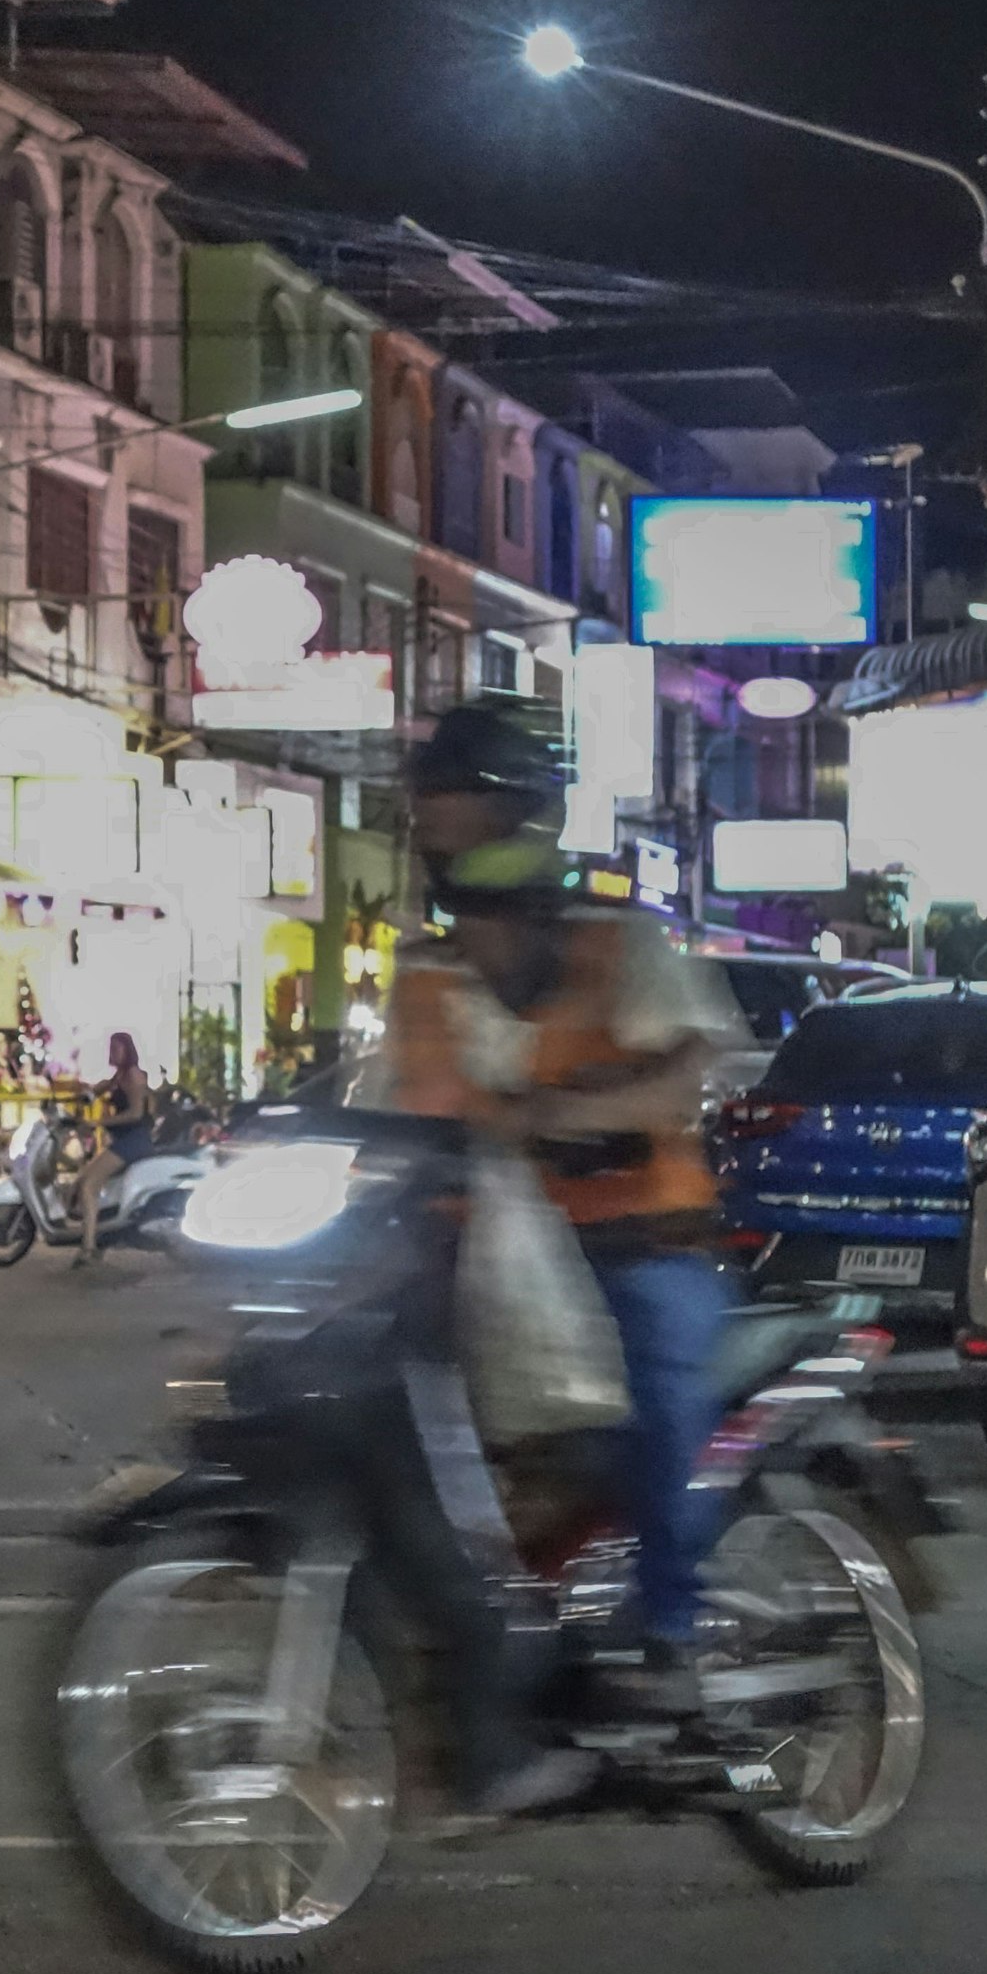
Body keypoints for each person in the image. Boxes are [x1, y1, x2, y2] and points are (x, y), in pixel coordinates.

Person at [380, 699, 745, 1709]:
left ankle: (671, 1632)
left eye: (461, 809)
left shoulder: (616, 942)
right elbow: (389, 1117)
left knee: (660, 1400)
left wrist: (568, 1110)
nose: (443, 830)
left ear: (518, 820)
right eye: (433, 811)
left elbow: (682, 1080)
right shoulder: (425, 974)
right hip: (481, 1262)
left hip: (639, 1246)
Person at [69, 1031, 152, 1265]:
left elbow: (135, 1113)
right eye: (111, 1048)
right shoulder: (119, 1076)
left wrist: (98, 1123)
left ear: (128, 1050)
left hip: (134, 1141)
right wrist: (81, 1095)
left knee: (88, 1185)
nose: (112, 1052)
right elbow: (98, 1089)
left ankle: (88, 1247)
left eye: (117, 1048)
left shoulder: (134, 1076)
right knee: (82, 1178)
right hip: (123, 1141)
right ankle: (96, 1233)